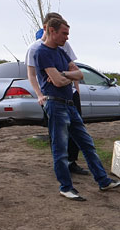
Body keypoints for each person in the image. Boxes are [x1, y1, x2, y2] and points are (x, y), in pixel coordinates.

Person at [33, 17, 120, 200]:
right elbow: (58, 82)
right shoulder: (41, 52)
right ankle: (66, 187)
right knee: (60, 150)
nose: (66, 37)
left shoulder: (61, 53)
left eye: (68, 34)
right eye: (64, 33)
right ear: (52, 31)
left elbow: (79, 74)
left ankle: (103, 181)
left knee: (87, 144)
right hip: (55, 104)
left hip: (69, 104)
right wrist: (65, 77)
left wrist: (63, 73)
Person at [26, 12, 88, 176]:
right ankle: (61, 166)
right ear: (47, 28)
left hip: (71, 94)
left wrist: (76, 89)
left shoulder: (64, 44)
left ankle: (72, 162)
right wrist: (39, 95)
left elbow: (74, 70)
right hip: (51, 96)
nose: (65, 37)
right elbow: (32, 75)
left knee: (76, 129)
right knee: (57, 132)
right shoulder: (35, 49)